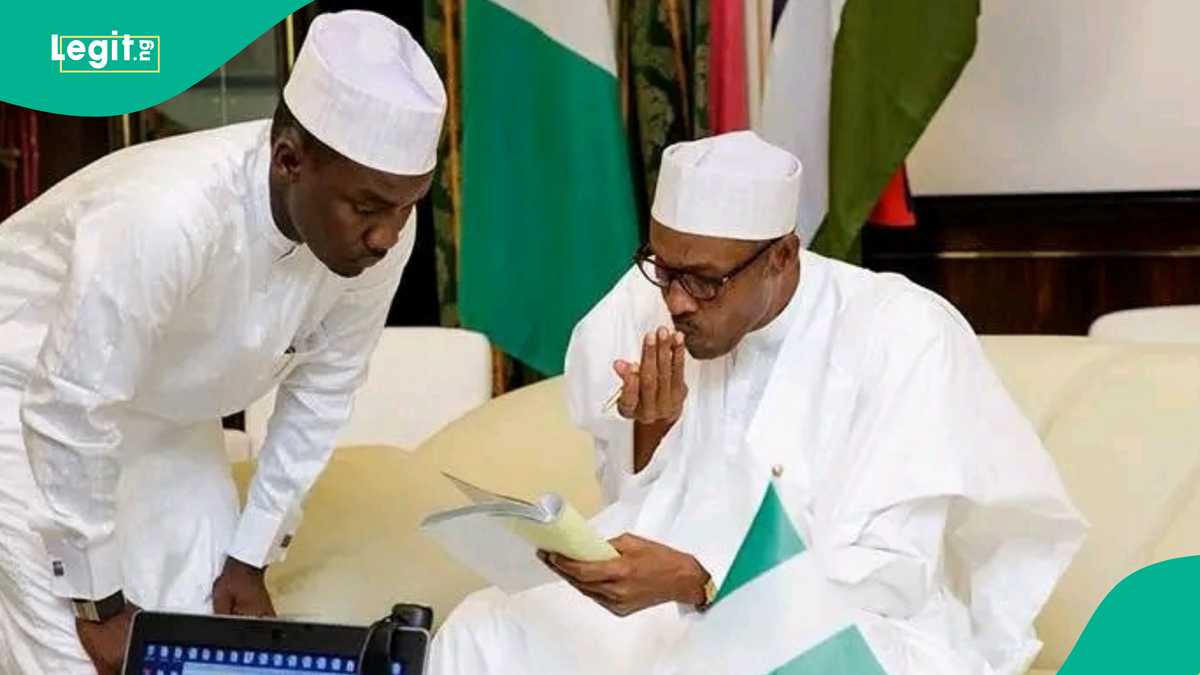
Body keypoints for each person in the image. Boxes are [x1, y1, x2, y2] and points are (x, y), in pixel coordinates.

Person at [429, 131, 1086, 674]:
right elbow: (635, 498)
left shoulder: (900, 331)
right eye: (663, 267)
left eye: (703, 281)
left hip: (844, 627)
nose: (675, 301)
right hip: (671, 602)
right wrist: (653, 430)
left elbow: (890, 574)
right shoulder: (646, 299)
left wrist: (704, 581)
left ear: (781, 257)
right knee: (483, 629)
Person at [0, 11, 446, 675]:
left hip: (169, 414)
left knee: (205, 640)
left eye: (408, 206)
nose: (388, 236)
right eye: (368, 208)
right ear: (289, 161)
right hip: (25, 402)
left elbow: (323, 393)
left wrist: (251, 554)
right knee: (78, 656)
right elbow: (70, 409)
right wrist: (97, 602)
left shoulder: (384, 235)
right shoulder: (165, 215)